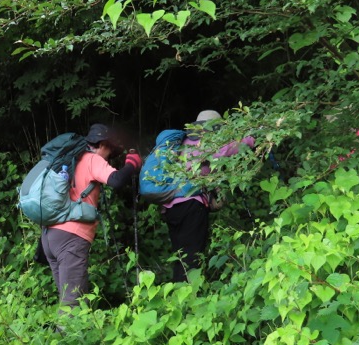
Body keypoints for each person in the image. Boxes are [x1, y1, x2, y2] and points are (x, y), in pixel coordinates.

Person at [40, 123, 141, 313]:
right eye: (110, 152)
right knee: (72, 304)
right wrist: (132, 164)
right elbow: (117, 180)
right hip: (71, 238)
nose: (109, 159)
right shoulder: (92, 159)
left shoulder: (69, 159)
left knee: (67, 300)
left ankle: (66, 340)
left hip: (49, 236)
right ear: (103, 144)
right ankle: (66, 341)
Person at [161, 110, 255, 282]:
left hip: (170, 205)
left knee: (181, 254)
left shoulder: (185, 144)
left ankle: (178, 294)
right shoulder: (209, 144)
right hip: (191, 205)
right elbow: (238, 146)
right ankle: (188, 296)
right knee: (192, 256)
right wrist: (255, 135)